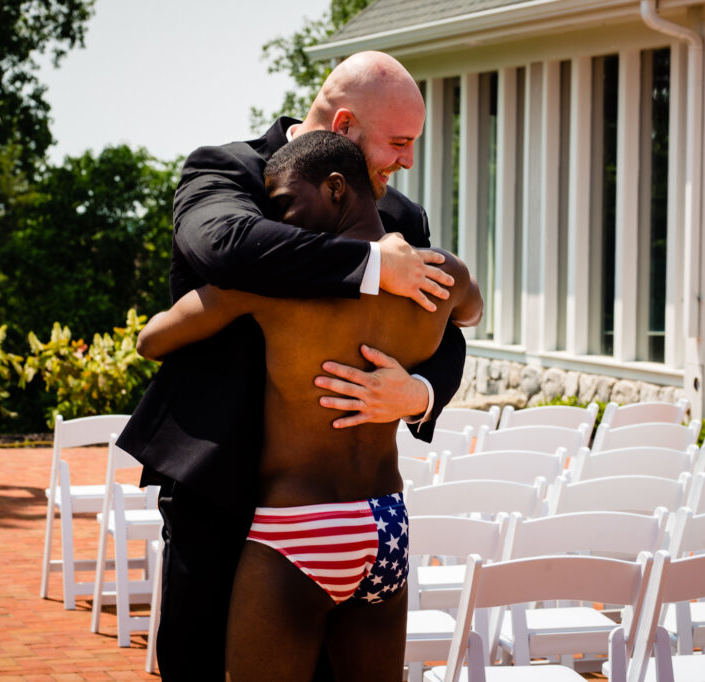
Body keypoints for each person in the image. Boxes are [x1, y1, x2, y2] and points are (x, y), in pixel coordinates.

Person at [116, 51, 468, 679]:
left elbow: (445, 334)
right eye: (398, 142)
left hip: (349, 508)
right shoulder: (227, 169)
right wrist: (370, 266)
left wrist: (417, 394)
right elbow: (223, 247)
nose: (407, 161)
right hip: (220, 490)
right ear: (343, 127)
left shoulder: (400, 216)